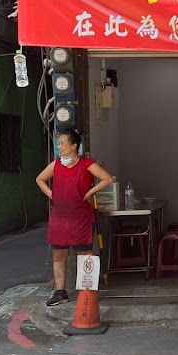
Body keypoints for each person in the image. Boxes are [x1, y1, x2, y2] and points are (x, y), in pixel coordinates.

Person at [36, 129, 114, 306]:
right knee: (58, 256)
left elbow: (107, 178)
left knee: (84, 255)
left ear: (74, 146)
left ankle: (86, 293)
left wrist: (89, 192)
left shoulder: (86, 163)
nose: (59, 147)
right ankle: (60, 291)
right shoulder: (56, 165)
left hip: (81, 218)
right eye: (58, 143)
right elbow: (39, 179)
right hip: (59, 217)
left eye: (62, 143)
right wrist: (52, 194)